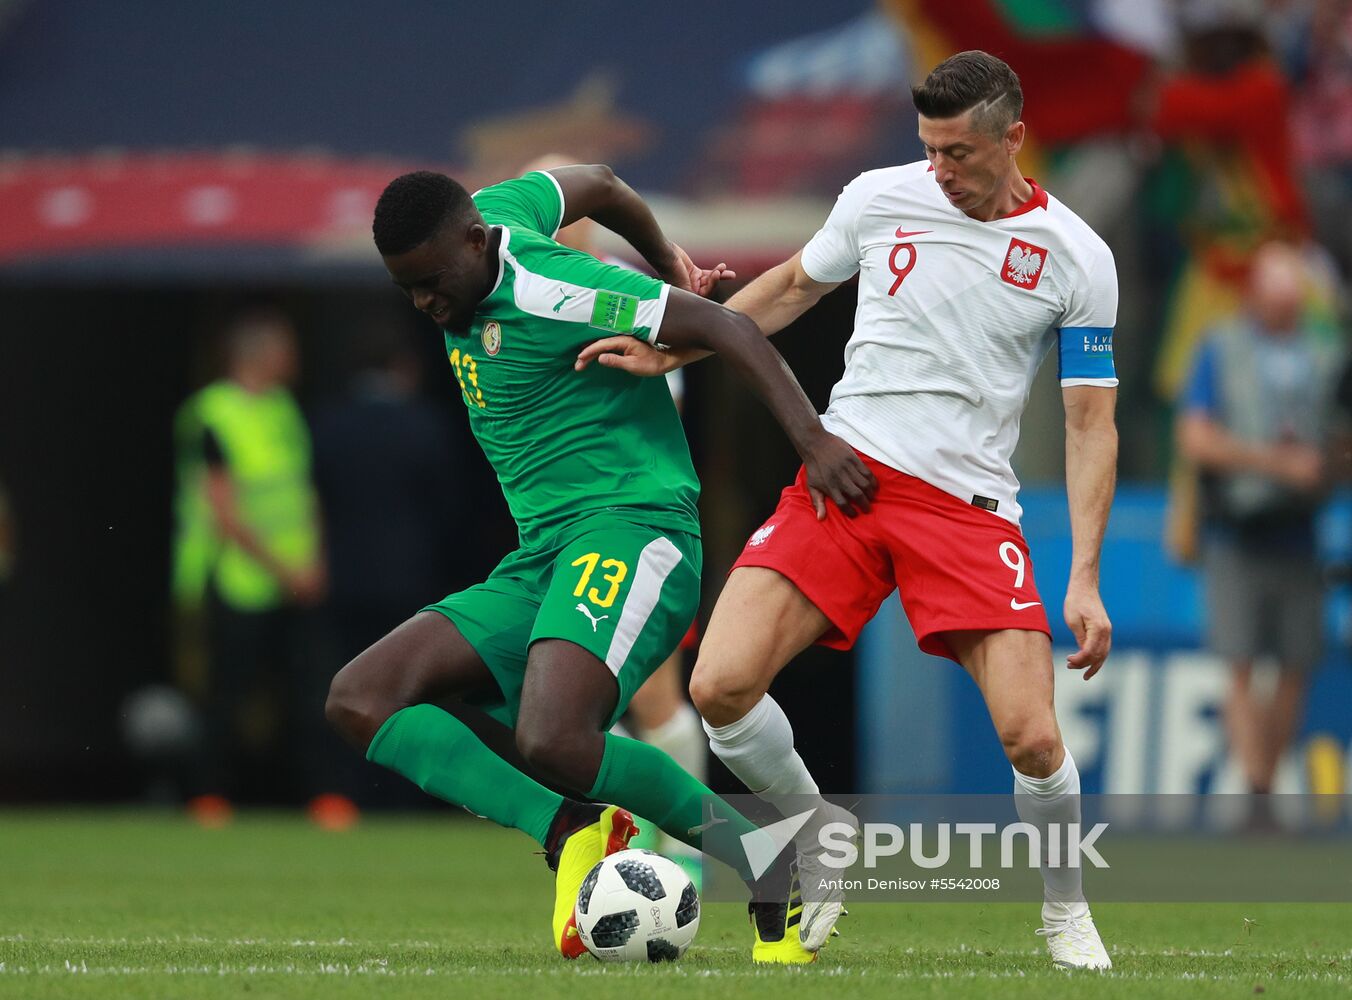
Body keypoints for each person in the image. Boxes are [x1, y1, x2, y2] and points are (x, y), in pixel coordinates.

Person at [578, 50, 1120, 970]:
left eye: (959, 152)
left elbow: (1089, 420)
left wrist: (1088, 578)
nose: (940, 170)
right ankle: (818, 833)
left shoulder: (1078, 255)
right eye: (930, 149)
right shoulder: (877, 196)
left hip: (968, 508)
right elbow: (791, 288)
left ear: (1013, 139)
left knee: (1031, 735)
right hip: (848, 478)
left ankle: (1066, 912)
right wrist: (680, 351)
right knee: (718, 685)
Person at [323, 164, 876, 962]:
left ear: (475, 243)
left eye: (433, 282)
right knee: (361, 698)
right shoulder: (495, 213)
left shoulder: (558, 287)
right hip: (545, 552)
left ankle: (767, 857)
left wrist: (815, 443)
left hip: (633, 528)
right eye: (406, 289)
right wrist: (667, 252)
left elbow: (732, 329)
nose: (425, 304)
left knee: (555, 735)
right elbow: (600, 183)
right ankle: (572, 828)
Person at [519, 153, 708, 878]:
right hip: (556, 529)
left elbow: (671, 396)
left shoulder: (626, 292)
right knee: (568, 705)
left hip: (633, 524)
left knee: (655, 692)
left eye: (553, 203)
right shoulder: (517, 294)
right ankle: (625, 842)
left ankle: (686, 849)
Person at [1176, 241, 1342, 800]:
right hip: (1236, 527)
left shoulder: (1327, 353)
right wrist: (1273, 463)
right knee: (1241, 662)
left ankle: (1264, 782)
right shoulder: (1222, 349)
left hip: (1300, 530)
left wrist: (1326, 467)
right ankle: (1256, 785)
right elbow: (1195, 437)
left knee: (1295, 665)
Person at [172, 309, 331, 821]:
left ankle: (319, 796)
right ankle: (209, 795)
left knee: (308, 688)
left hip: (296, 575)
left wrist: (314, 562)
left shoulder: (283, 407)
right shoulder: (212, 413)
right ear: (258, 354)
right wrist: (287, 570)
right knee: (228, 691)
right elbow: (224, 511)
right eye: (285, 347)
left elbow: (302, 490)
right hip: (235, 575)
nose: (294, 357)